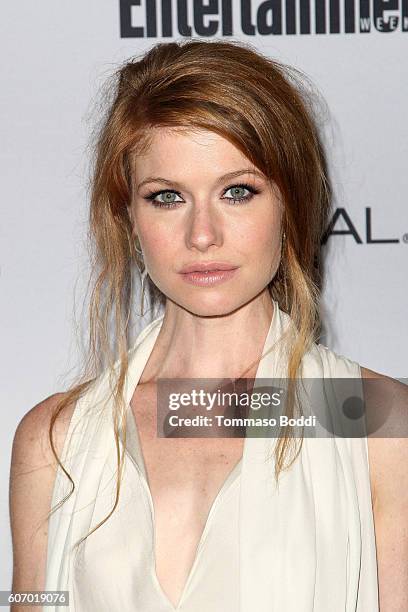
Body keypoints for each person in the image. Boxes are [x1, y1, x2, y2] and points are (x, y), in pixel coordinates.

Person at [9, 39, 408, 612]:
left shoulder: (375, 422)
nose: (202, 234)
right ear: (128, 217)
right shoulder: (58, 439)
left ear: (290, 203)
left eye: (237, 191)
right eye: (167, 196)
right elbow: (29, 598)